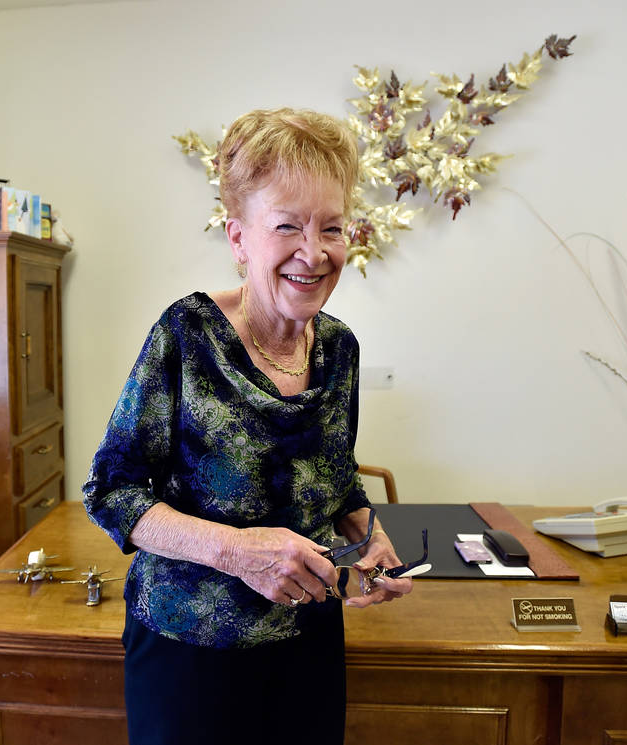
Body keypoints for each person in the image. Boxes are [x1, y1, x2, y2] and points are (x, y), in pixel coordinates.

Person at [83, 108, 413, 745]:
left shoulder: (338, 348)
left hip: (309, 639)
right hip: (190, 650)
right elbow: (112, 492)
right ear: (238, 239)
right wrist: (238, 551)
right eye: (287, 226)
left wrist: (368, 535)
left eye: (332, 228)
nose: (313, 252)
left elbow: (335, 479)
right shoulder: (187, 335)